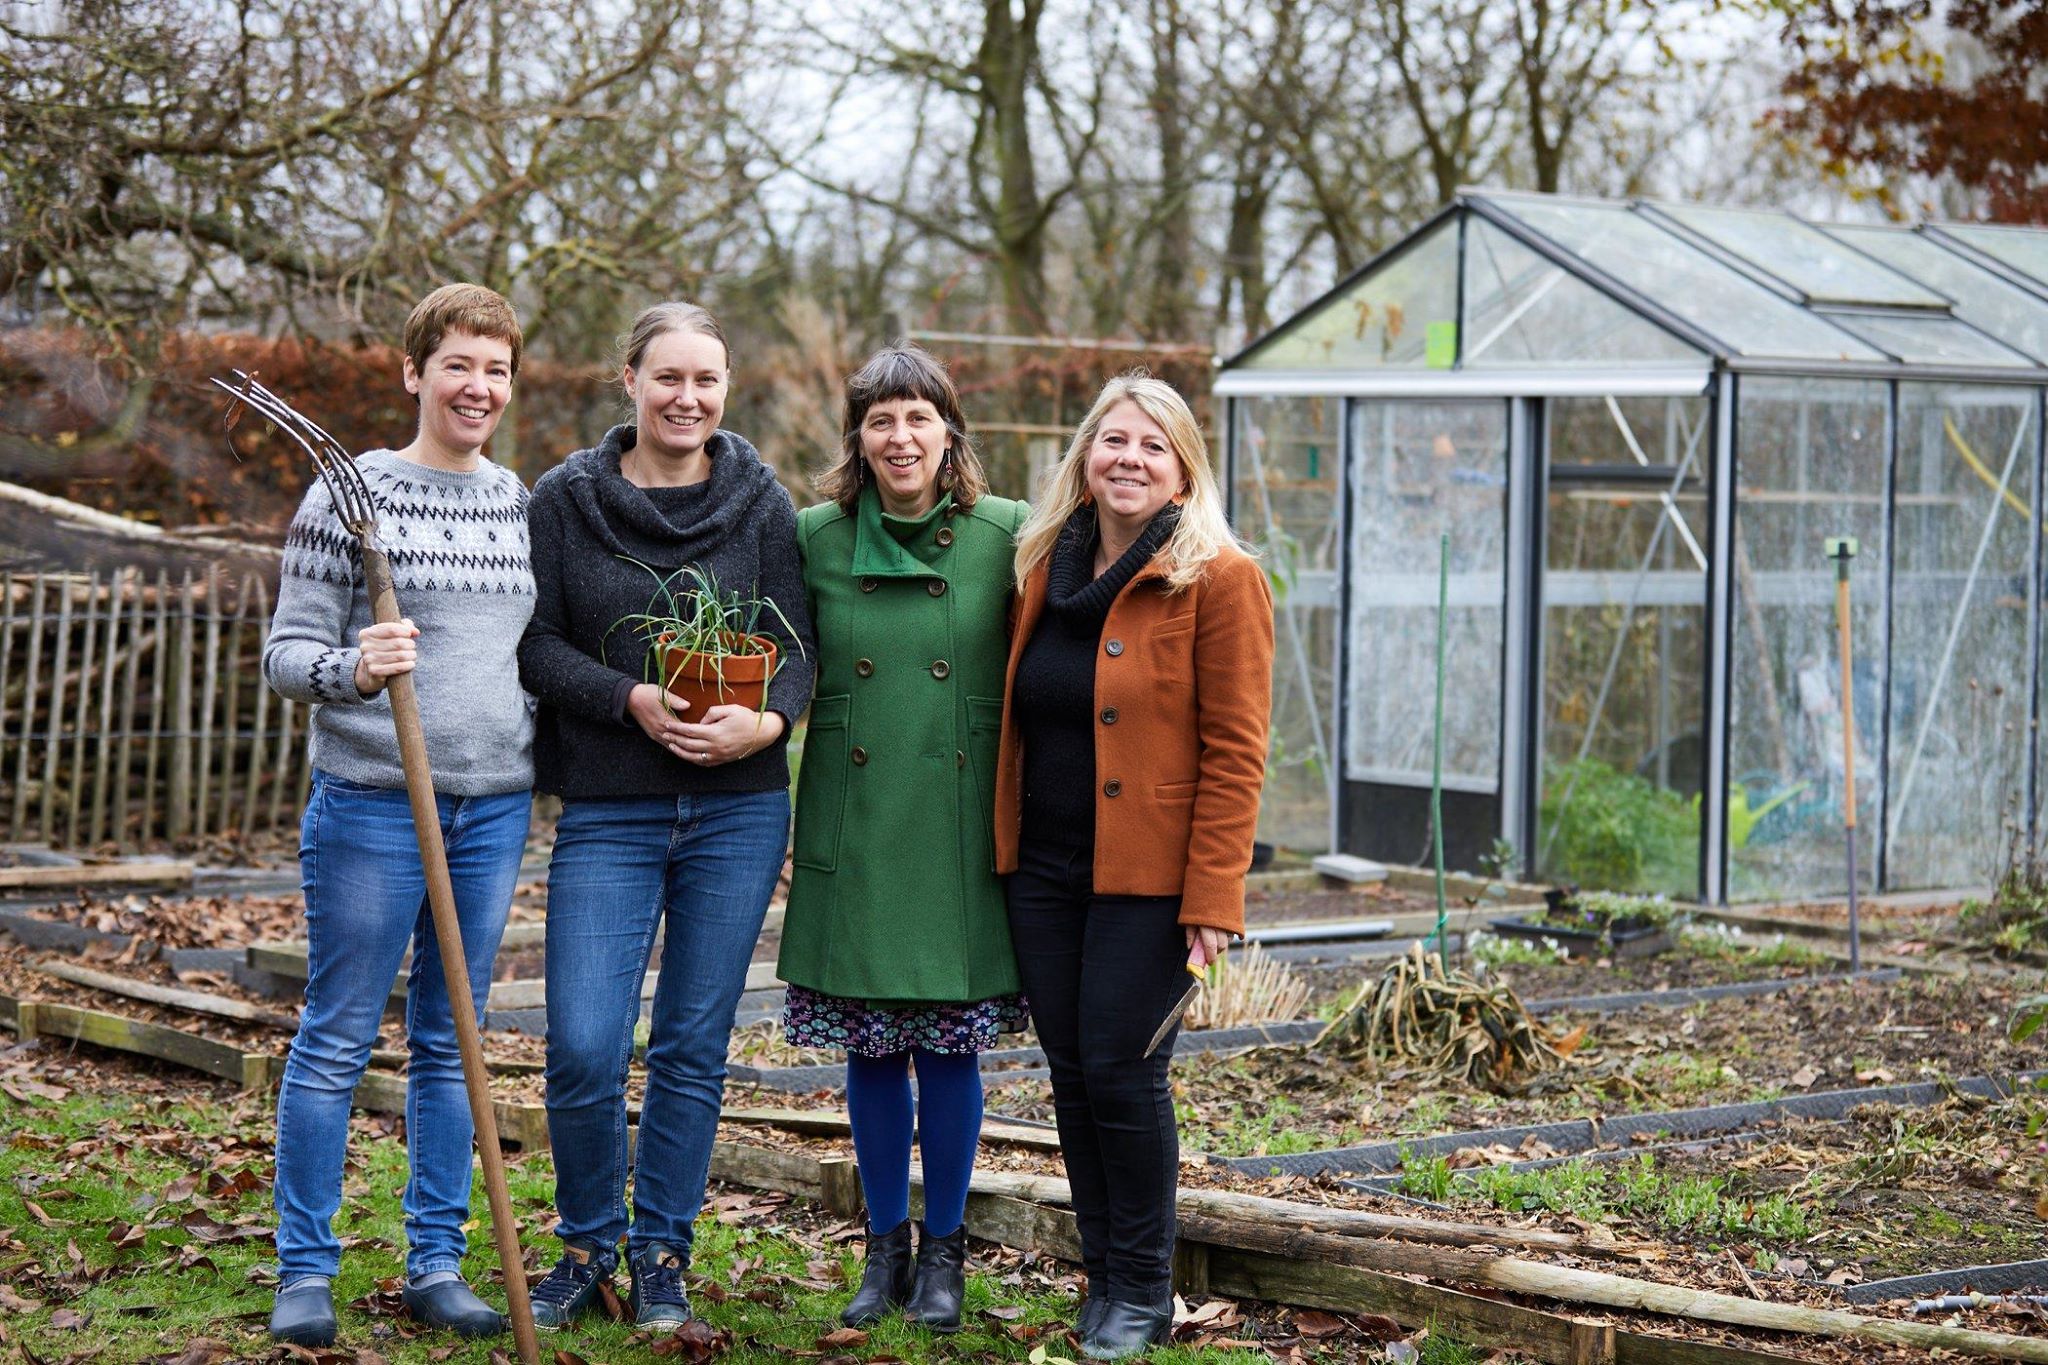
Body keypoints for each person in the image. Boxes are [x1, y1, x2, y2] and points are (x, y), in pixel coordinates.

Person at [516, 301, 815, 1333]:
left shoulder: (759, 500)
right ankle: (587, 1245)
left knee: (692, 1043)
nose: (687, 398)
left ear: (725, 391)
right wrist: (630, 699)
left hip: (736, 812)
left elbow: (798, 645)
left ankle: (660, 1256)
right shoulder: (565, 498)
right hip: (610, 806)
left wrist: (766, 723)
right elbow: (536, 645)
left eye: (706, 381)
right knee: (586, 1043)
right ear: (629, 381)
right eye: (668, 378)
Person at [261, 283, 536, 1347]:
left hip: (492, 804)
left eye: (497, 368)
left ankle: (435, 1263)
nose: (478, 386)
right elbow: (286, 655)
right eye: (459, 364)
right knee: (335, 1037)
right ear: (414, 372)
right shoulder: (351, 494)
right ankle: (306, 1270)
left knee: (451, 1038)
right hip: (373, 803)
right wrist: (352, 666)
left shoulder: (514, 497)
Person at [995, 374, 1273, 1359]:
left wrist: (1213, 897)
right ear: (1084, 453)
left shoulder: (1219, 576)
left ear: (1182, 469)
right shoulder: (1041, 565)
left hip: (1149, 882)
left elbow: (1237, 751)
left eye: (1152, 447)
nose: (1128, 459)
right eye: (1113, 440)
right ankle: (1103, 1273)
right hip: (1044, 870)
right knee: (1072, 1074)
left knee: (1124, 1071)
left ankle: (1144, 1289)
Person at [778, 344, 1029, 1333]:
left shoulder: (1005, 533)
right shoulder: (812, 536)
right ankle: (882, 1248)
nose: (899, 438)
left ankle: (945, 1255)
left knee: (950, 1050)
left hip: (957, 826)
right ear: (858, 437)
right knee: (872, 1050)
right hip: (855, 815)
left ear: (948, 430)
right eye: (879, 420)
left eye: (917, 417)